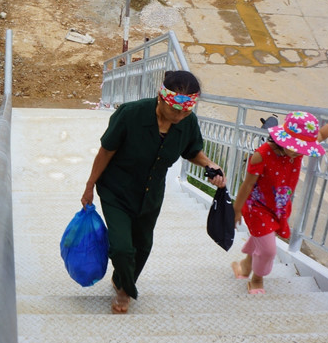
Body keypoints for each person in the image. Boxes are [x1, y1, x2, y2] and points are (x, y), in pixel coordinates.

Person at [81, 70, 226, 314]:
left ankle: (122, 281)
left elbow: (192, 151)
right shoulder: (130, 114)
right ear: (161, 98)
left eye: (185, 112)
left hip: (151, 193)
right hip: (117, 190)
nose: (179, 116)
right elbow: (106, 151)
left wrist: (210, 165)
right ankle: (126, 290)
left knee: (143, 244)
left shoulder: (187, 121)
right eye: (175, 110)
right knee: (122, 247)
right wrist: (89, 186)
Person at [231, 108, 328, 294]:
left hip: (279, 206)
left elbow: (321, 134)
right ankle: (256, 279)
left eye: (302, 148)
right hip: (258, 208)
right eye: (295, 147)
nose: (298, 153)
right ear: (283, 139)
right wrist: (237, 210)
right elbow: (247, 185)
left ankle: (244, 266)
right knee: (268, 250)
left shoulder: (297, 150)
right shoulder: (261, 155)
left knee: (262, 238)